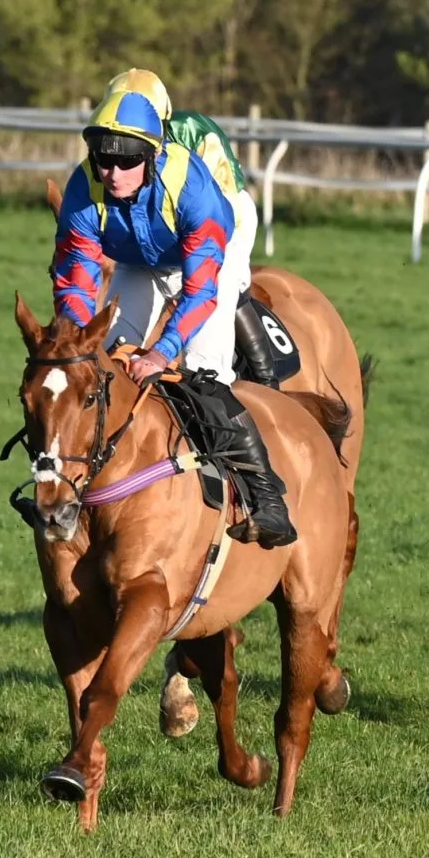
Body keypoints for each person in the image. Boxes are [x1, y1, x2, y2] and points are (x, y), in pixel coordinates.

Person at [52, 69, 293, 546]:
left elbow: (200, 289)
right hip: (138, 256)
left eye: (127, 161)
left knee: (201, 370)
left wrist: (162, 352)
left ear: (153, 153)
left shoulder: (193, 186)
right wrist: (78, 340)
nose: (112, 173)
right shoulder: (85, 186)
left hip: (213, 239)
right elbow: (77, 273)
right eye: (103, 158)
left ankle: (266, 499)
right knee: (107, 363)